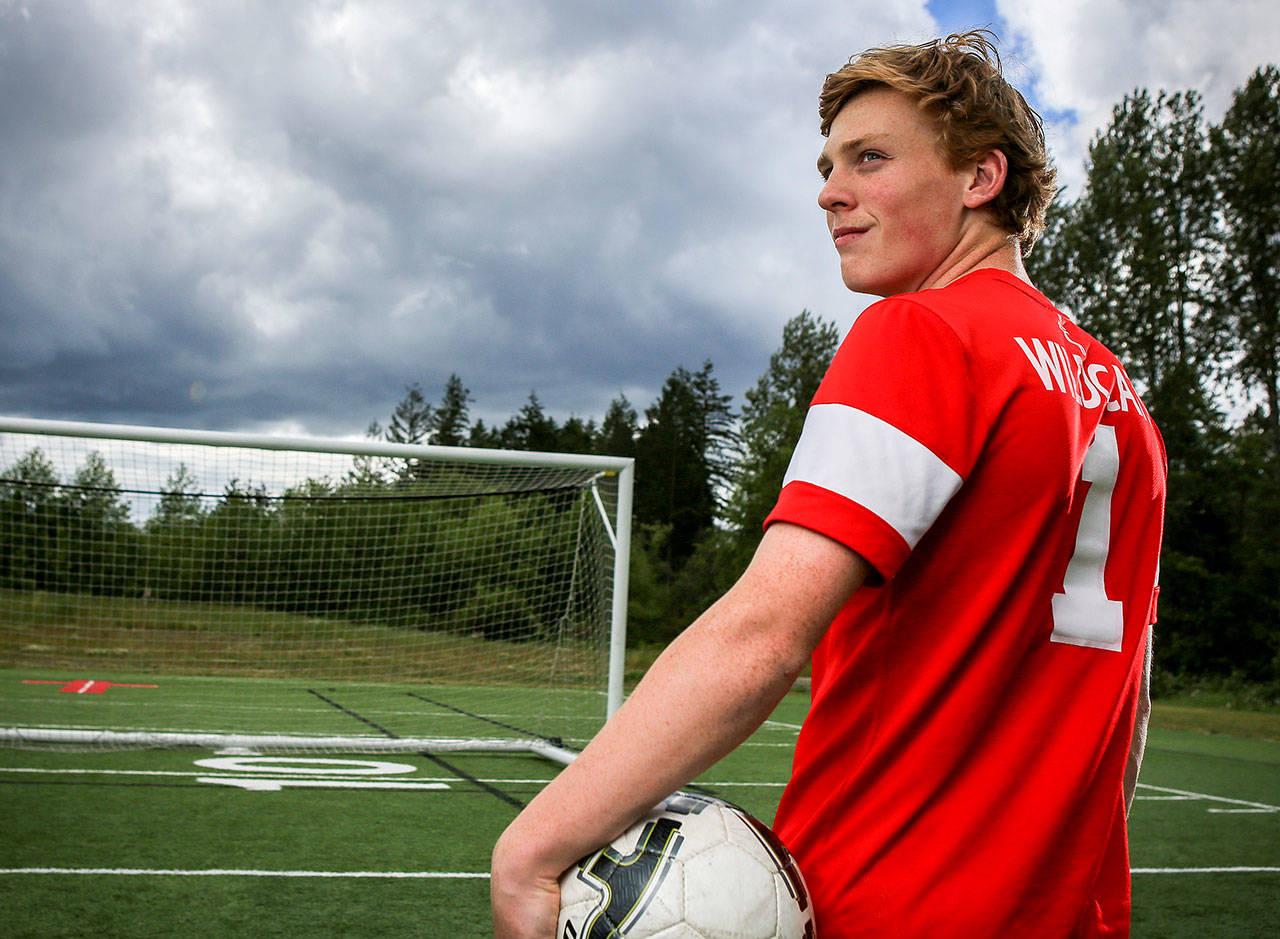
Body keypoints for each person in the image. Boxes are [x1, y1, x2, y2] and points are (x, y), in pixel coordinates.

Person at [491, 30, 1165, 938]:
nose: (829, 191)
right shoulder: (1123, 402)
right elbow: (1129, 708)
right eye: (828, 164)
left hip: (889, 903)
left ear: (981, 179)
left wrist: (531, 850)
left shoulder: (922, 335)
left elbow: (764, 636)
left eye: (871, 158)